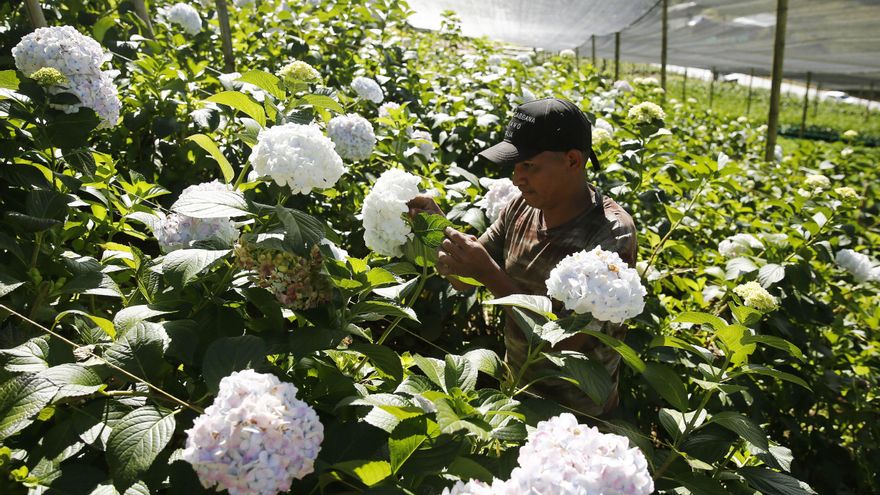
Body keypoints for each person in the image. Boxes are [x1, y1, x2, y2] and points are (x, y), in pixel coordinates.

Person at [407, 97, 637, 416]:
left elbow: (563, 344)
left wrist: (490, 275)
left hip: (577, 413)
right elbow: (461, 277)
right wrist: (435, 227)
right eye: (515, 166)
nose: (517, 178)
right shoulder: (521, 207)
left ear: (572, 161)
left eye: (529, 165)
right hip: (516, 390)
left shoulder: (610, 235)